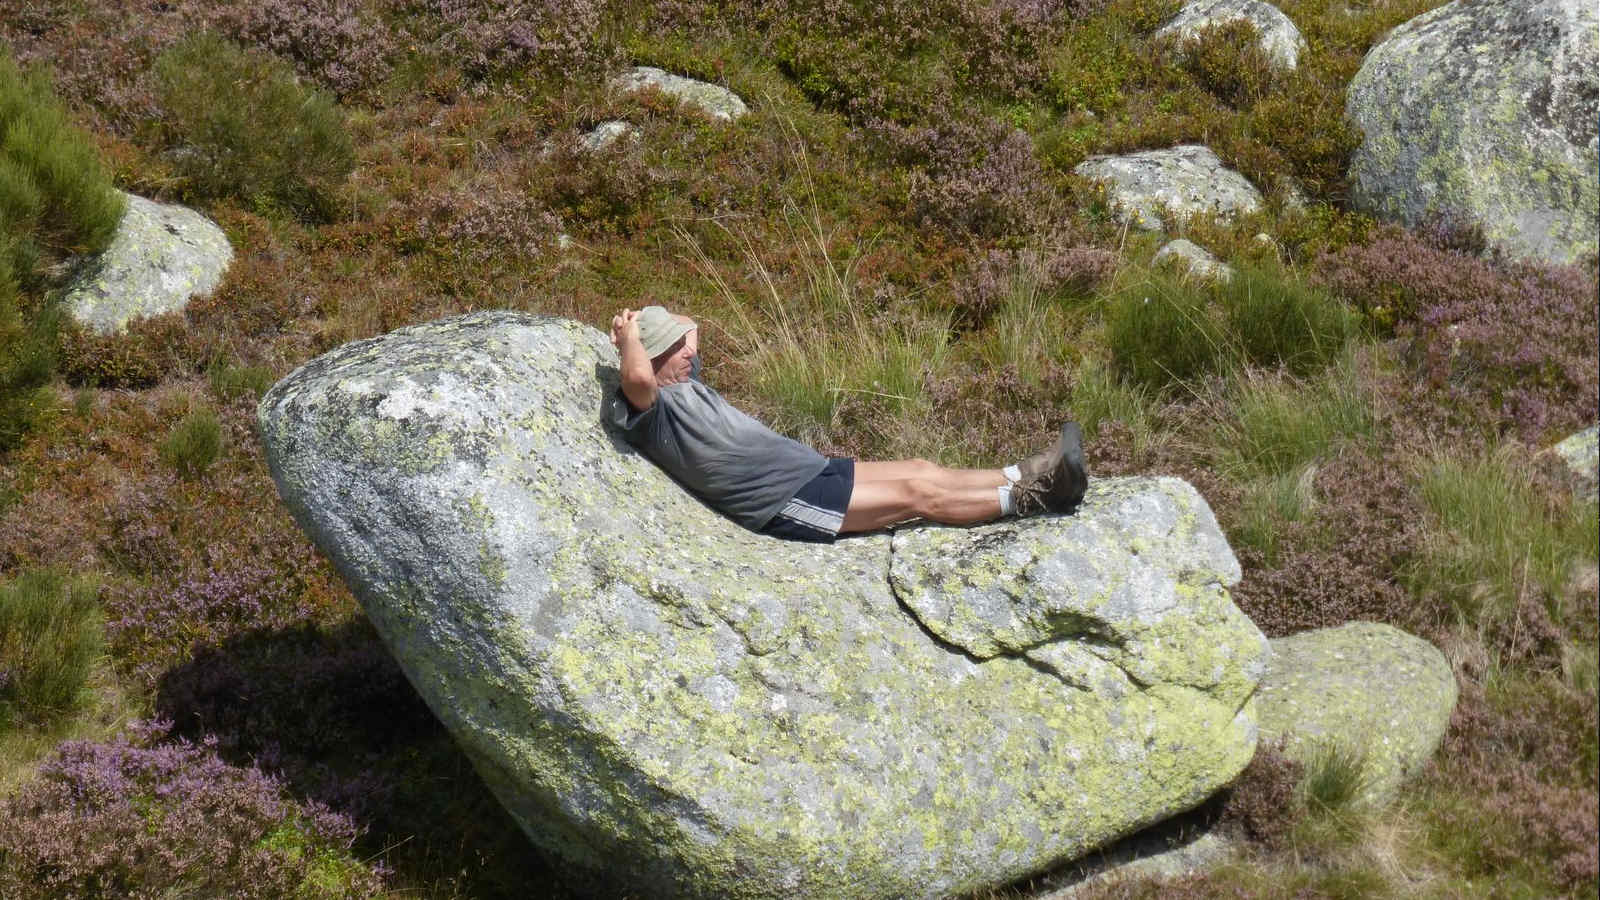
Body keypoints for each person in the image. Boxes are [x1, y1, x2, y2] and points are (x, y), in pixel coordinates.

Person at [608, 305, 1086, 543]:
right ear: (650, 357)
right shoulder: (654, 411)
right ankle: (1035, 497)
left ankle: (1022, 472)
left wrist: (653, 323)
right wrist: (630, 337)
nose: (690, 350)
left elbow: (692, 326)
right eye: (674, 346)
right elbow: (635, 375)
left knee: (920, 467)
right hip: (786, 501)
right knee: (916, 498)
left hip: (809, 468)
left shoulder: (687, 381)